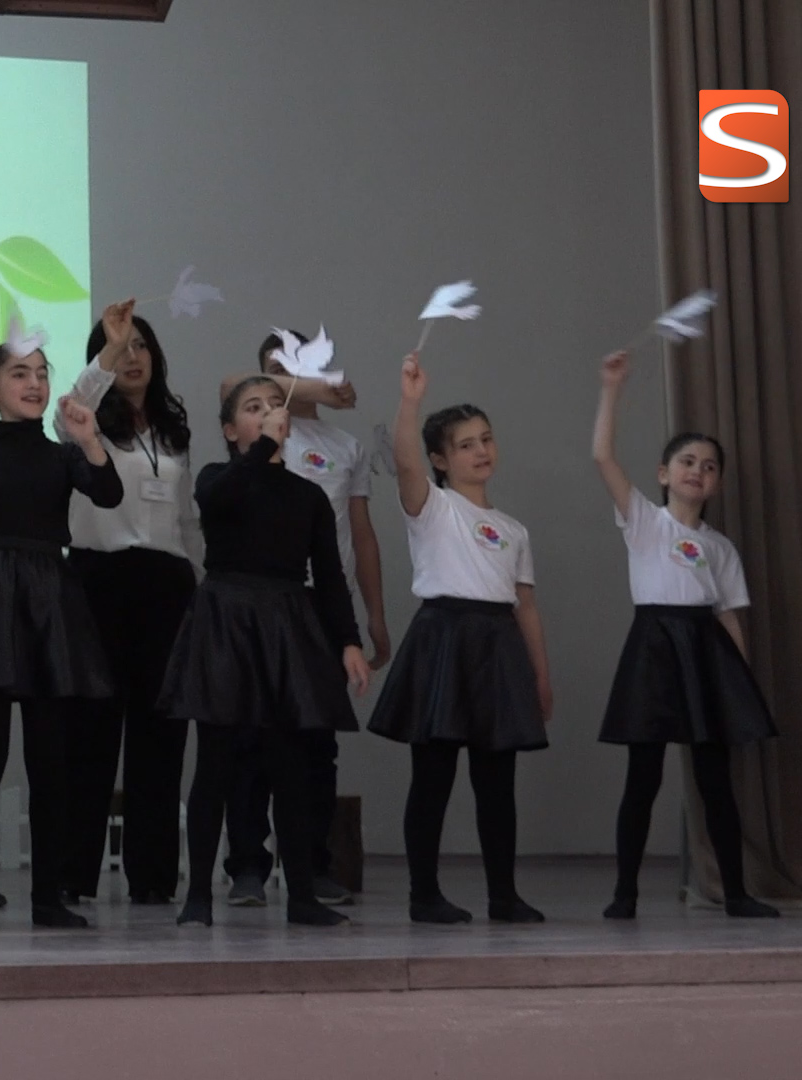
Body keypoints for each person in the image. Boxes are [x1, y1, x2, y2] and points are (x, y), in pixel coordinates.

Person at [162, 376, 371, 928]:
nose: (269, 412)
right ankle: (198, 896)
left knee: (291, 766)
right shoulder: (217, 477)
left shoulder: (307, 496)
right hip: (227, 619)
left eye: (275, 405)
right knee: (216, 762)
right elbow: (218, 500)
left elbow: (329, 576)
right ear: (232, 430)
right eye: (253, 408)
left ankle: (301, 895)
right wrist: (260, 452)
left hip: (286, 622)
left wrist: (349, 640)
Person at [0, 340, 121, 929]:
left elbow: (109, 493)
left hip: (49, 600)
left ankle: (47, 897)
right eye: (20, 374)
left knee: (50, 761)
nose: (35, 383)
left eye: (42, 373)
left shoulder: (62, 455)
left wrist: (89, 438)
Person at [591, 350, 778, 919]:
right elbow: (602, 455)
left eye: (709, 466)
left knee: (715, 780)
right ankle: (624, 893)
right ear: (664, 474)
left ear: (716, 483)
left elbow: (728, 616)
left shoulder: (720, 548)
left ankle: (736, 893)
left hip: (704, 651)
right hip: (653, 646)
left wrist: (738, 686)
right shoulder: (645, 522)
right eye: (687, 461)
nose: (698, 470)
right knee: (643, 777)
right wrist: (611, 388)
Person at [367, 353, 552, 925]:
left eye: (486, 439)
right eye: (466, 444)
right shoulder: (434, 507)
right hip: (443, 638)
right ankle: (424, 894)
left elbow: (525, 606)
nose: (481, 450)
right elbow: (403, 460)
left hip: (498, 646)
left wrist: (539, 675)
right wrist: (411, 401)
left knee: (497, 782)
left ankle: (503, 895)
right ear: (441, 460)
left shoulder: (514, 530)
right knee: (433, 776)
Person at [216, 340, 382, 909]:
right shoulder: (253, 434)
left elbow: (358, 539)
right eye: (272, 370)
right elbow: (233, 386)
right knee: (248, 741)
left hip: (316, 608)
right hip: (255, 606)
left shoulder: (345, 446)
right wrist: (310, 391)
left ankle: (313, 865)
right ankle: (246, 865)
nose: (275, 387)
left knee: (315, 743)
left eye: (294, 365)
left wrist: (368, 620)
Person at [60, 300, 202, 905]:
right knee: (91, 729)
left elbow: (187, 521)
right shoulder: (84, 420)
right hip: (99, 579)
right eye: (123, 349)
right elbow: (77, 400)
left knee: (161, 733)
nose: (133, 358)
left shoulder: (174, 431)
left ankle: (153, 878)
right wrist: (109, 348)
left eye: (142, 346)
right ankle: (74, 875)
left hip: (167, 584)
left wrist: (200, 584)